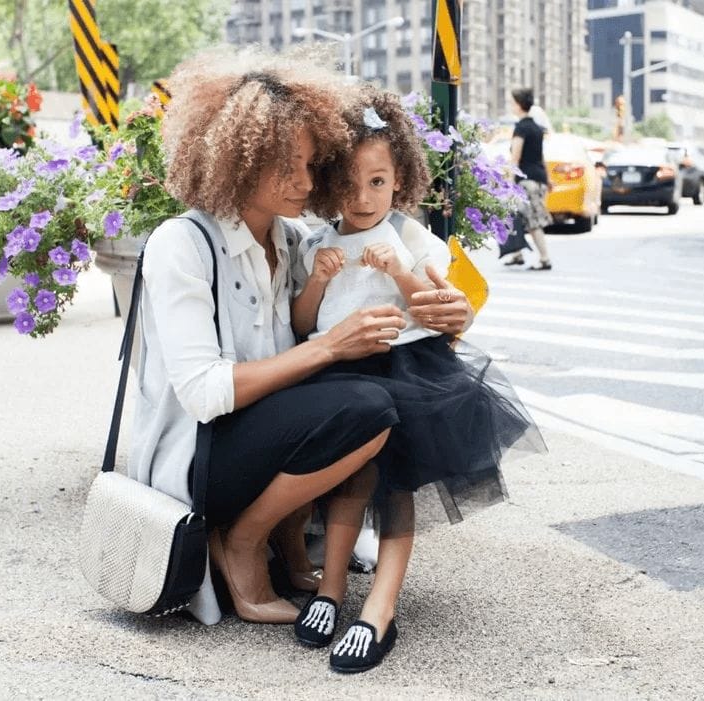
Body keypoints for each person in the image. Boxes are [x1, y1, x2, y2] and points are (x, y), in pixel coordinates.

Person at [133, 53, 476, 627]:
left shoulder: (296, 241)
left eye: (313, 166)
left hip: (261, 440)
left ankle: (291, 549)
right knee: (366, 405)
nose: (307, 183)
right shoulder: (181, 244)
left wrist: (455, 312)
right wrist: (329, 346)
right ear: (237, 162)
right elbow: (204, 394)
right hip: (198, 458)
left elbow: (396, 277)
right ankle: (242, 540)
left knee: (372, 399)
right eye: (287, 167)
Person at [291, 86, 545, 673]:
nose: (362, 197)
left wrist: (401, 272)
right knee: (347, 482)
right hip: (338, 371)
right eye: (350, 184)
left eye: (377, 182)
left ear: (399, 179)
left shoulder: (411, 237)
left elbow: (440, 306)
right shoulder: (317, 242)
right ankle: (330, 589)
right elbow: (305, 323)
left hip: (407, 372)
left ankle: (381, 606)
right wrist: (318, 283)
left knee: (394, 485)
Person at [506, 88, 553, 271]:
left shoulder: (521, 128)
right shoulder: (536, 128)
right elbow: (541, 157)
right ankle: (517, 254)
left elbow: (515, 158)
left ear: (519, 105)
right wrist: (548, 179)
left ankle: (545, 258)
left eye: (512, 103)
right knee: (517, 216)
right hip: (538, 178)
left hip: (526, 180)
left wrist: (510, 182)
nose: (511, 106)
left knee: (532, 220)